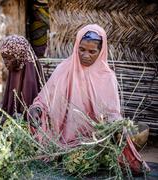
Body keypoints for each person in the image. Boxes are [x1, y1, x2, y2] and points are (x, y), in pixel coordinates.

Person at [28, 24, 149, 173]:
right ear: (76, 46)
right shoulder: (64, 69)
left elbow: (112, 113)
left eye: (92, 51)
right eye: (82, 49)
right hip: (62, 141)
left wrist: (116, 127)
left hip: (95, 143)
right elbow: (44, 99)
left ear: (101, 51)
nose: (86, 55)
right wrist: (36, 109)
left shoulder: (107, 77)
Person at [0, 35, 44, 121]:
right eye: (4, 58)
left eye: (8, 58)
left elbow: (27, 107)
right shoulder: (15, 69)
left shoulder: (29, 77)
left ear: (19, 56)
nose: (5, 63)